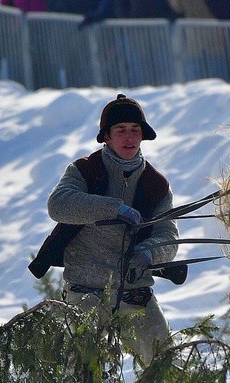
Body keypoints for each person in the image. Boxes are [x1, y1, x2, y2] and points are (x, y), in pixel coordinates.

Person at [29, 94, 182, 367]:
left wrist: (149, 254)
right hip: (84, 293)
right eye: (120, 130)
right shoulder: (84, 170)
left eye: (135, 130)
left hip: (135, 292)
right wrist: (115, 208)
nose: (129, 137)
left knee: (167, 368)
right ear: (106, 137)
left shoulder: (156, 184)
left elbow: (168, 234)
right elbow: (58, 205)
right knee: (81, 379)